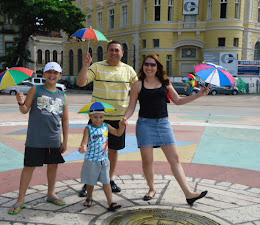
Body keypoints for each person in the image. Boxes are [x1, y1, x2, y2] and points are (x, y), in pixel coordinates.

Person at [122, 54, 210, 205]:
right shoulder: (138, 84)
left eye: (152, 65)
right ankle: (151, 188)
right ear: (143, 66)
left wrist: (199, 94)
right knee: (147, 161)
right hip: (145, 125)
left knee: (175, 159)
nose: (149, 67)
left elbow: (178, 101)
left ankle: (188, 193)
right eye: (146, 64)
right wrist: (125, 118)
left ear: (158, 67)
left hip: (163, 124)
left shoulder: (166, 83)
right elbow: (131, 107)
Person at [77, 40, 138, 196]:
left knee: (113, 151)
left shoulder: (129, 70)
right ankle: (88, 182)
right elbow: (81, 82)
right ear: (107, 52)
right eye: (111, 50)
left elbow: (138, 91)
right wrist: (85, 66)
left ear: (122, 53)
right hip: (98, 118)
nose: (114, 53)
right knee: (92, 151)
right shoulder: (97, 67)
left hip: (118, 118)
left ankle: (109, 179)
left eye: (117, 50)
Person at [8, 62, 69, 214]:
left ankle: (51, 193)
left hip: (53, 139)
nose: (52, 75)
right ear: (44, 74)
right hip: (35, 139)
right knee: (28, 168)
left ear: (60, 76)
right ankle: (21, 199)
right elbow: (24, 110)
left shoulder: (62, 94)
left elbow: (65, 120)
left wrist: (65, 140)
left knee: (53, 167)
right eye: (49, 72)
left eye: (55, 73)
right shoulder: (36, 89)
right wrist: (20, 102)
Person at [78, 106, 126, 211]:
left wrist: (121, 127)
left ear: (104, 117)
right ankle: (89, 197)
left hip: (104, 160)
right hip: (92, 161)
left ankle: (110, 202)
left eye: (101, 117)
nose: (98, 120)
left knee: (106, 181)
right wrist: (83, 147)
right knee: (91, 182)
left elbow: (118, 133)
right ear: (90, 116)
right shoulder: (88, 129)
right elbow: (84, 142)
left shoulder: (106, 126)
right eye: (95, 117)